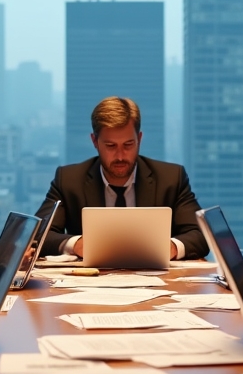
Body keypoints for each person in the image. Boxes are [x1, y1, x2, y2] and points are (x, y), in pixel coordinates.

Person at [35, 96, 207, 259]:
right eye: (110, 146)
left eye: (128, 145)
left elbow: (201, 235)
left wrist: (171, 247)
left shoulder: (170, 179)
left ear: (139, 139)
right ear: (95, 142)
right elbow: (37, 236)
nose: (120, 156)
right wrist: (76, 244)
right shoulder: (69, 180)